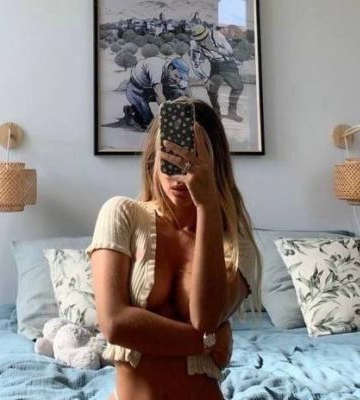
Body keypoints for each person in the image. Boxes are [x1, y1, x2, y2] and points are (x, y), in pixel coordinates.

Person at [86, 97, 263, 400]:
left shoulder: (236, 243)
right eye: (170, 154)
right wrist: (206, 342)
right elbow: (115, 324)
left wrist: (207, 206)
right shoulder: (121, 214)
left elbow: (205, 318)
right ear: (154, 159)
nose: (179, 171)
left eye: (193, 157)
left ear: (215, 163)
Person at [189, 24, 245, 122]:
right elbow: (194, 63)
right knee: (211, 89)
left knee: (238, 87)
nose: (201, 42)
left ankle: (232, 112)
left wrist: (213, 48)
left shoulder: (217, 36)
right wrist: (205, 79)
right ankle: (216, 113)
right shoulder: (194, 45)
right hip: (215, 66)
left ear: (207, 34)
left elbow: (230, 52)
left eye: (203, 38)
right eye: (198, 40)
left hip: (228, 64)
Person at [124, 57, 193, 129]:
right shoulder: (156, 67)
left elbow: (187, 93)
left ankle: (181, 116)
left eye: (180, 78)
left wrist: (191, 114)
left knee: (179, 93)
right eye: (176, 76)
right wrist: (169, 119)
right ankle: (131, 111)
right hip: (136, 90)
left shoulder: (176, 72)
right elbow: (159, 94)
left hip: (151, 88)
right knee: (150, 124)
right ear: (171, 68)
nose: (177, 81)